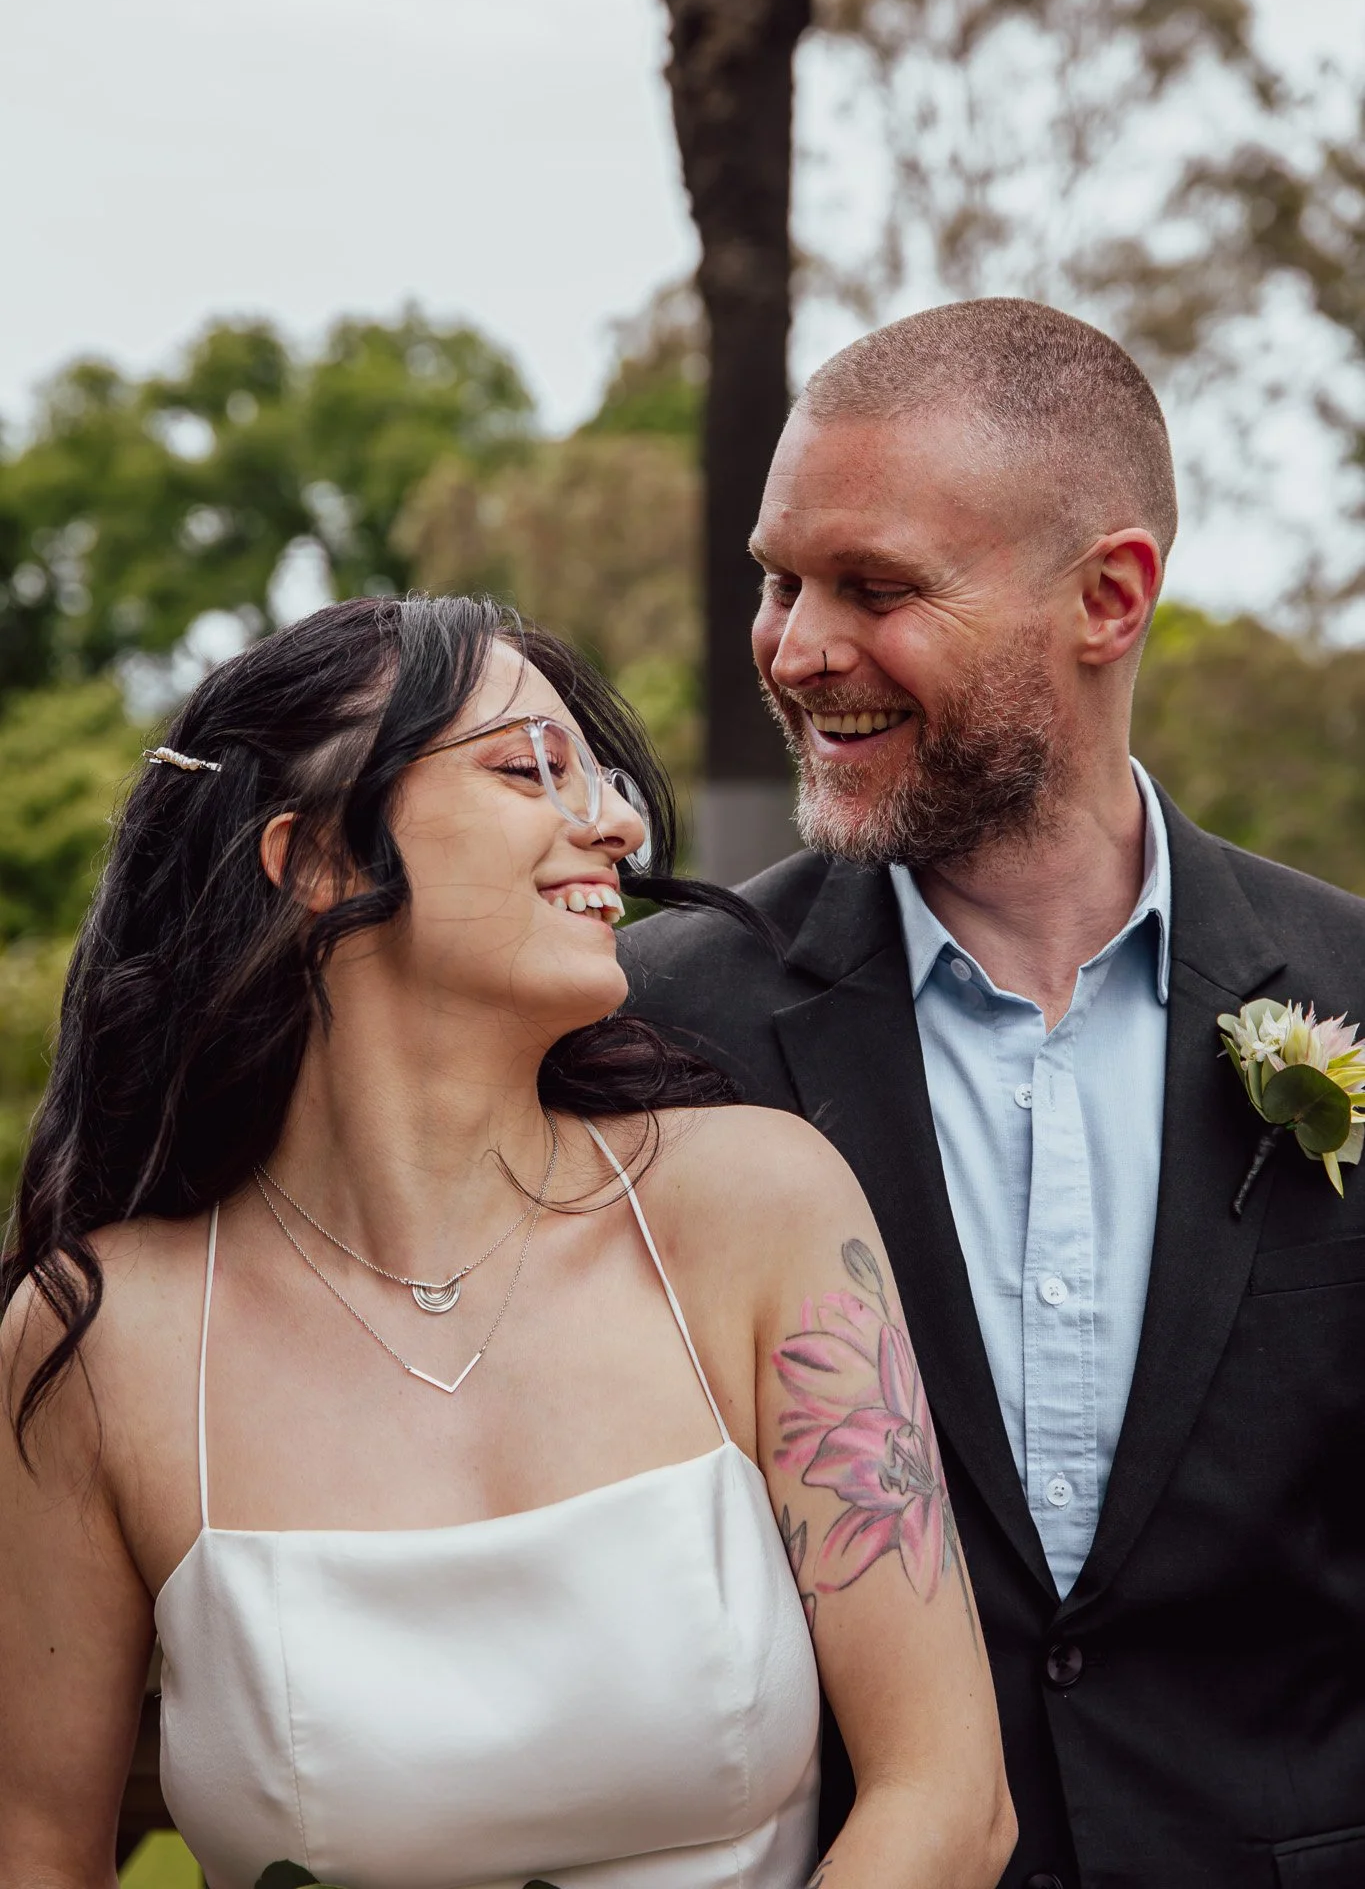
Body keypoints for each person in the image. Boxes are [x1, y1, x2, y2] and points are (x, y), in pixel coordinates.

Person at [0, 594, 1013, 1889]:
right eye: (529, 767)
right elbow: (37, 1857)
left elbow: (951, 1799)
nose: (617, 822)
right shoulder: (99, 1347)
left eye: (603, 775)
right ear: (316, 859)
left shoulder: (758, 1208)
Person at [622, 298, 1365, 1889]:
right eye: (779, 578)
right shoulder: (656, 1034)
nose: (796, 646)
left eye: (875, 587)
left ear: (1109, 598)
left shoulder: (1352, 998)